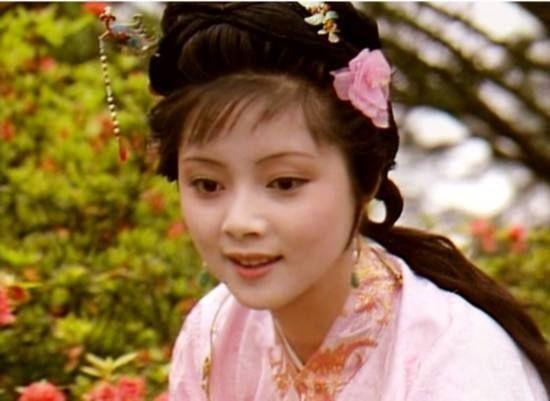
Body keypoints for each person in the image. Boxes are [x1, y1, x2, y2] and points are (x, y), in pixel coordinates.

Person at [146, 3, 549, 400]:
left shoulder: (458, 364)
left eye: (284, 183)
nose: (239, 222)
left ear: (365, 179)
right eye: (208, 185)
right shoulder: (214, 332)